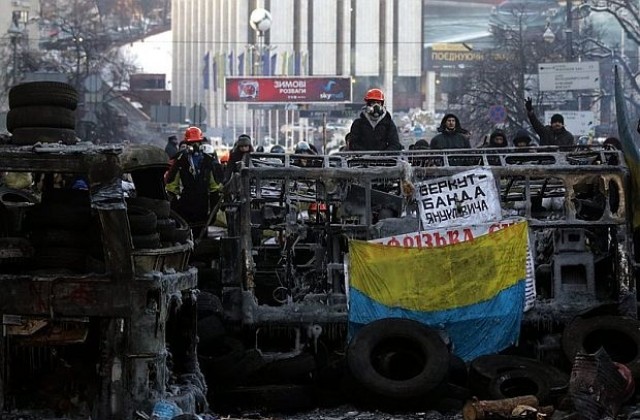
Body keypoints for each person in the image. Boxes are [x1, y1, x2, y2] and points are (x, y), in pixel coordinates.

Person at [165, 126, 224, 236]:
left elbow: (213, 186)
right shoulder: (181, 161)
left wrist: (214, 205)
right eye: (192, 143)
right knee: (186, 233)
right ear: (187, 144)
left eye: (197, 142)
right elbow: (172, 185)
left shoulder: (208, 161)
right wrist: (173, 203)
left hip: (202, 204)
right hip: (185, 203)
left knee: (201, 232)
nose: (195, 146)